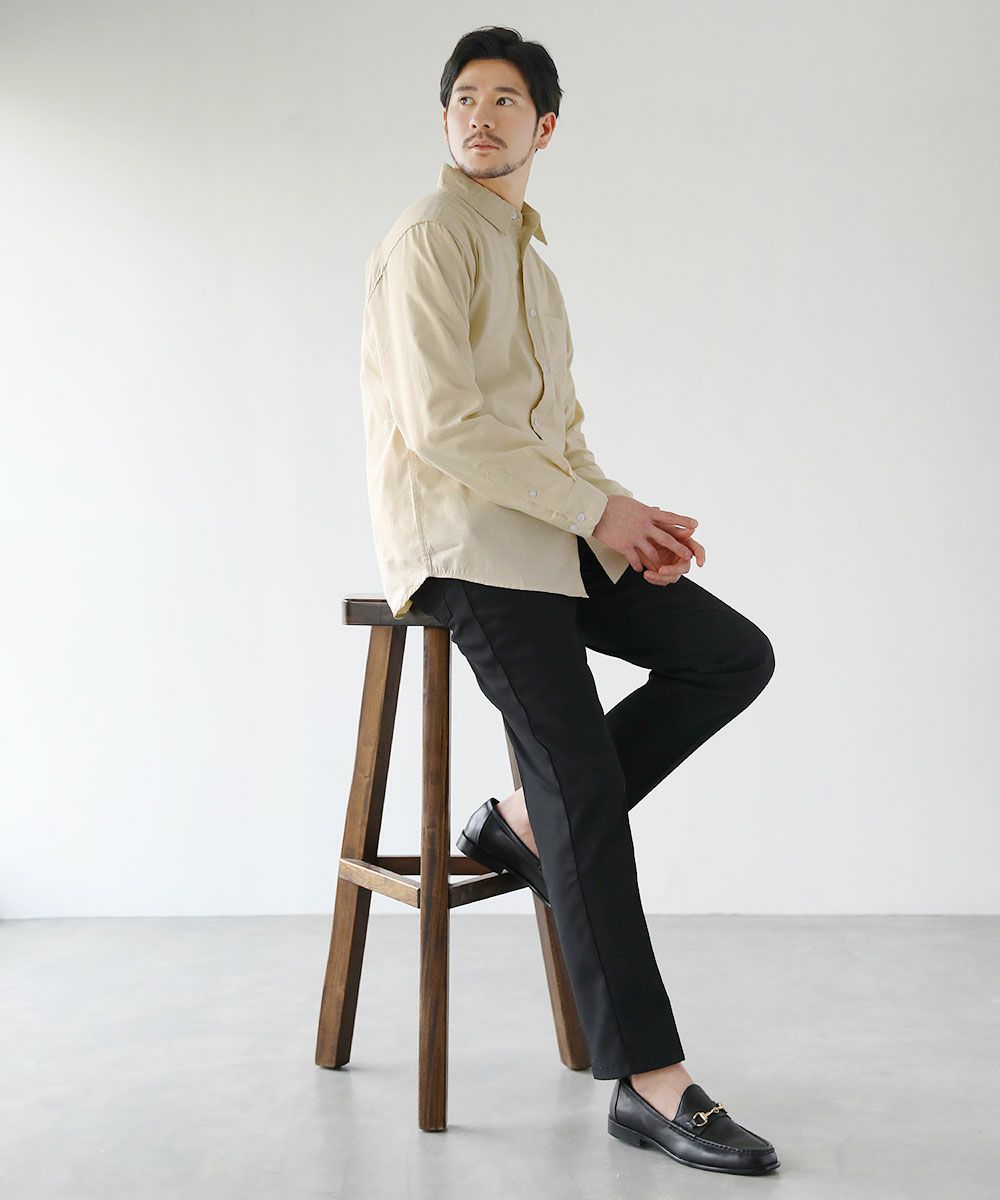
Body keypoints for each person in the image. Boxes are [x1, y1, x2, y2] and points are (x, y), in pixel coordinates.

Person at [359, 25, 780, 1176]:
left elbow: (559, 433)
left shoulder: (532, 265)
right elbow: (444, 426)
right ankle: (648, 1081)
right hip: (466, 547)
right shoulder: (428, 237)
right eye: (462, 97)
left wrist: (623, 517)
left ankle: (530, 822)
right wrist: (590, 512)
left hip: (548, 531)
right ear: (444, 119)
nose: (479, 114)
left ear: (544, 126)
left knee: (728, 655)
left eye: (504, 100)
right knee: (585, 780)